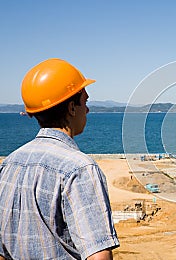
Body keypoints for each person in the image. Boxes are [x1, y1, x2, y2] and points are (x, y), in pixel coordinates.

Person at [0, 58, 119, 259]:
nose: (87, 109)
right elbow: (98, 255)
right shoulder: (80, 169)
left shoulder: (9, 164)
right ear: (72, 108)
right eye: (85, 101)